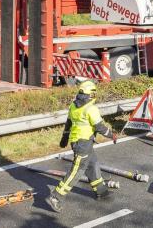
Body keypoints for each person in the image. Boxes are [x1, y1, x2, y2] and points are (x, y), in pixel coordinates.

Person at [46, 81, 117, 213]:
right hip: (83, 144)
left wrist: (64, 138)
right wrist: (112, 135)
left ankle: (101, 191)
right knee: (77, 171)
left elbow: (68, 123)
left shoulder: (73, 105)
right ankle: (56, 196)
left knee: (93, 164)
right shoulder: (91, 108)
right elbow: (99, 127)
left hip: (80, 142)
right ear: (91, 94)